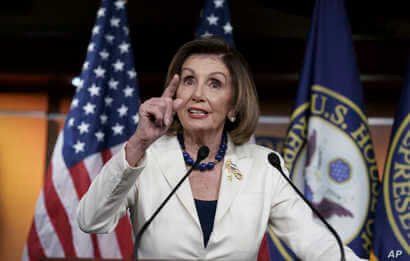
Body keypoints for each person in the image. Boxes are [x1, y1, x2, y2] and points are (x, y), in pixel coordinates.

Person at [77, 37, 361, 260]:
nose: (197, 94)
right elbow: (91, 220)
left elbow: (318, 245)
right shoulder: (146, 157)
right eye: (189, 81)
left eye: (214, 83)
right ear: (175, 94)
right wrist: (138, 142)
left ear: (234, 105)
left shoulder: (265, 166)